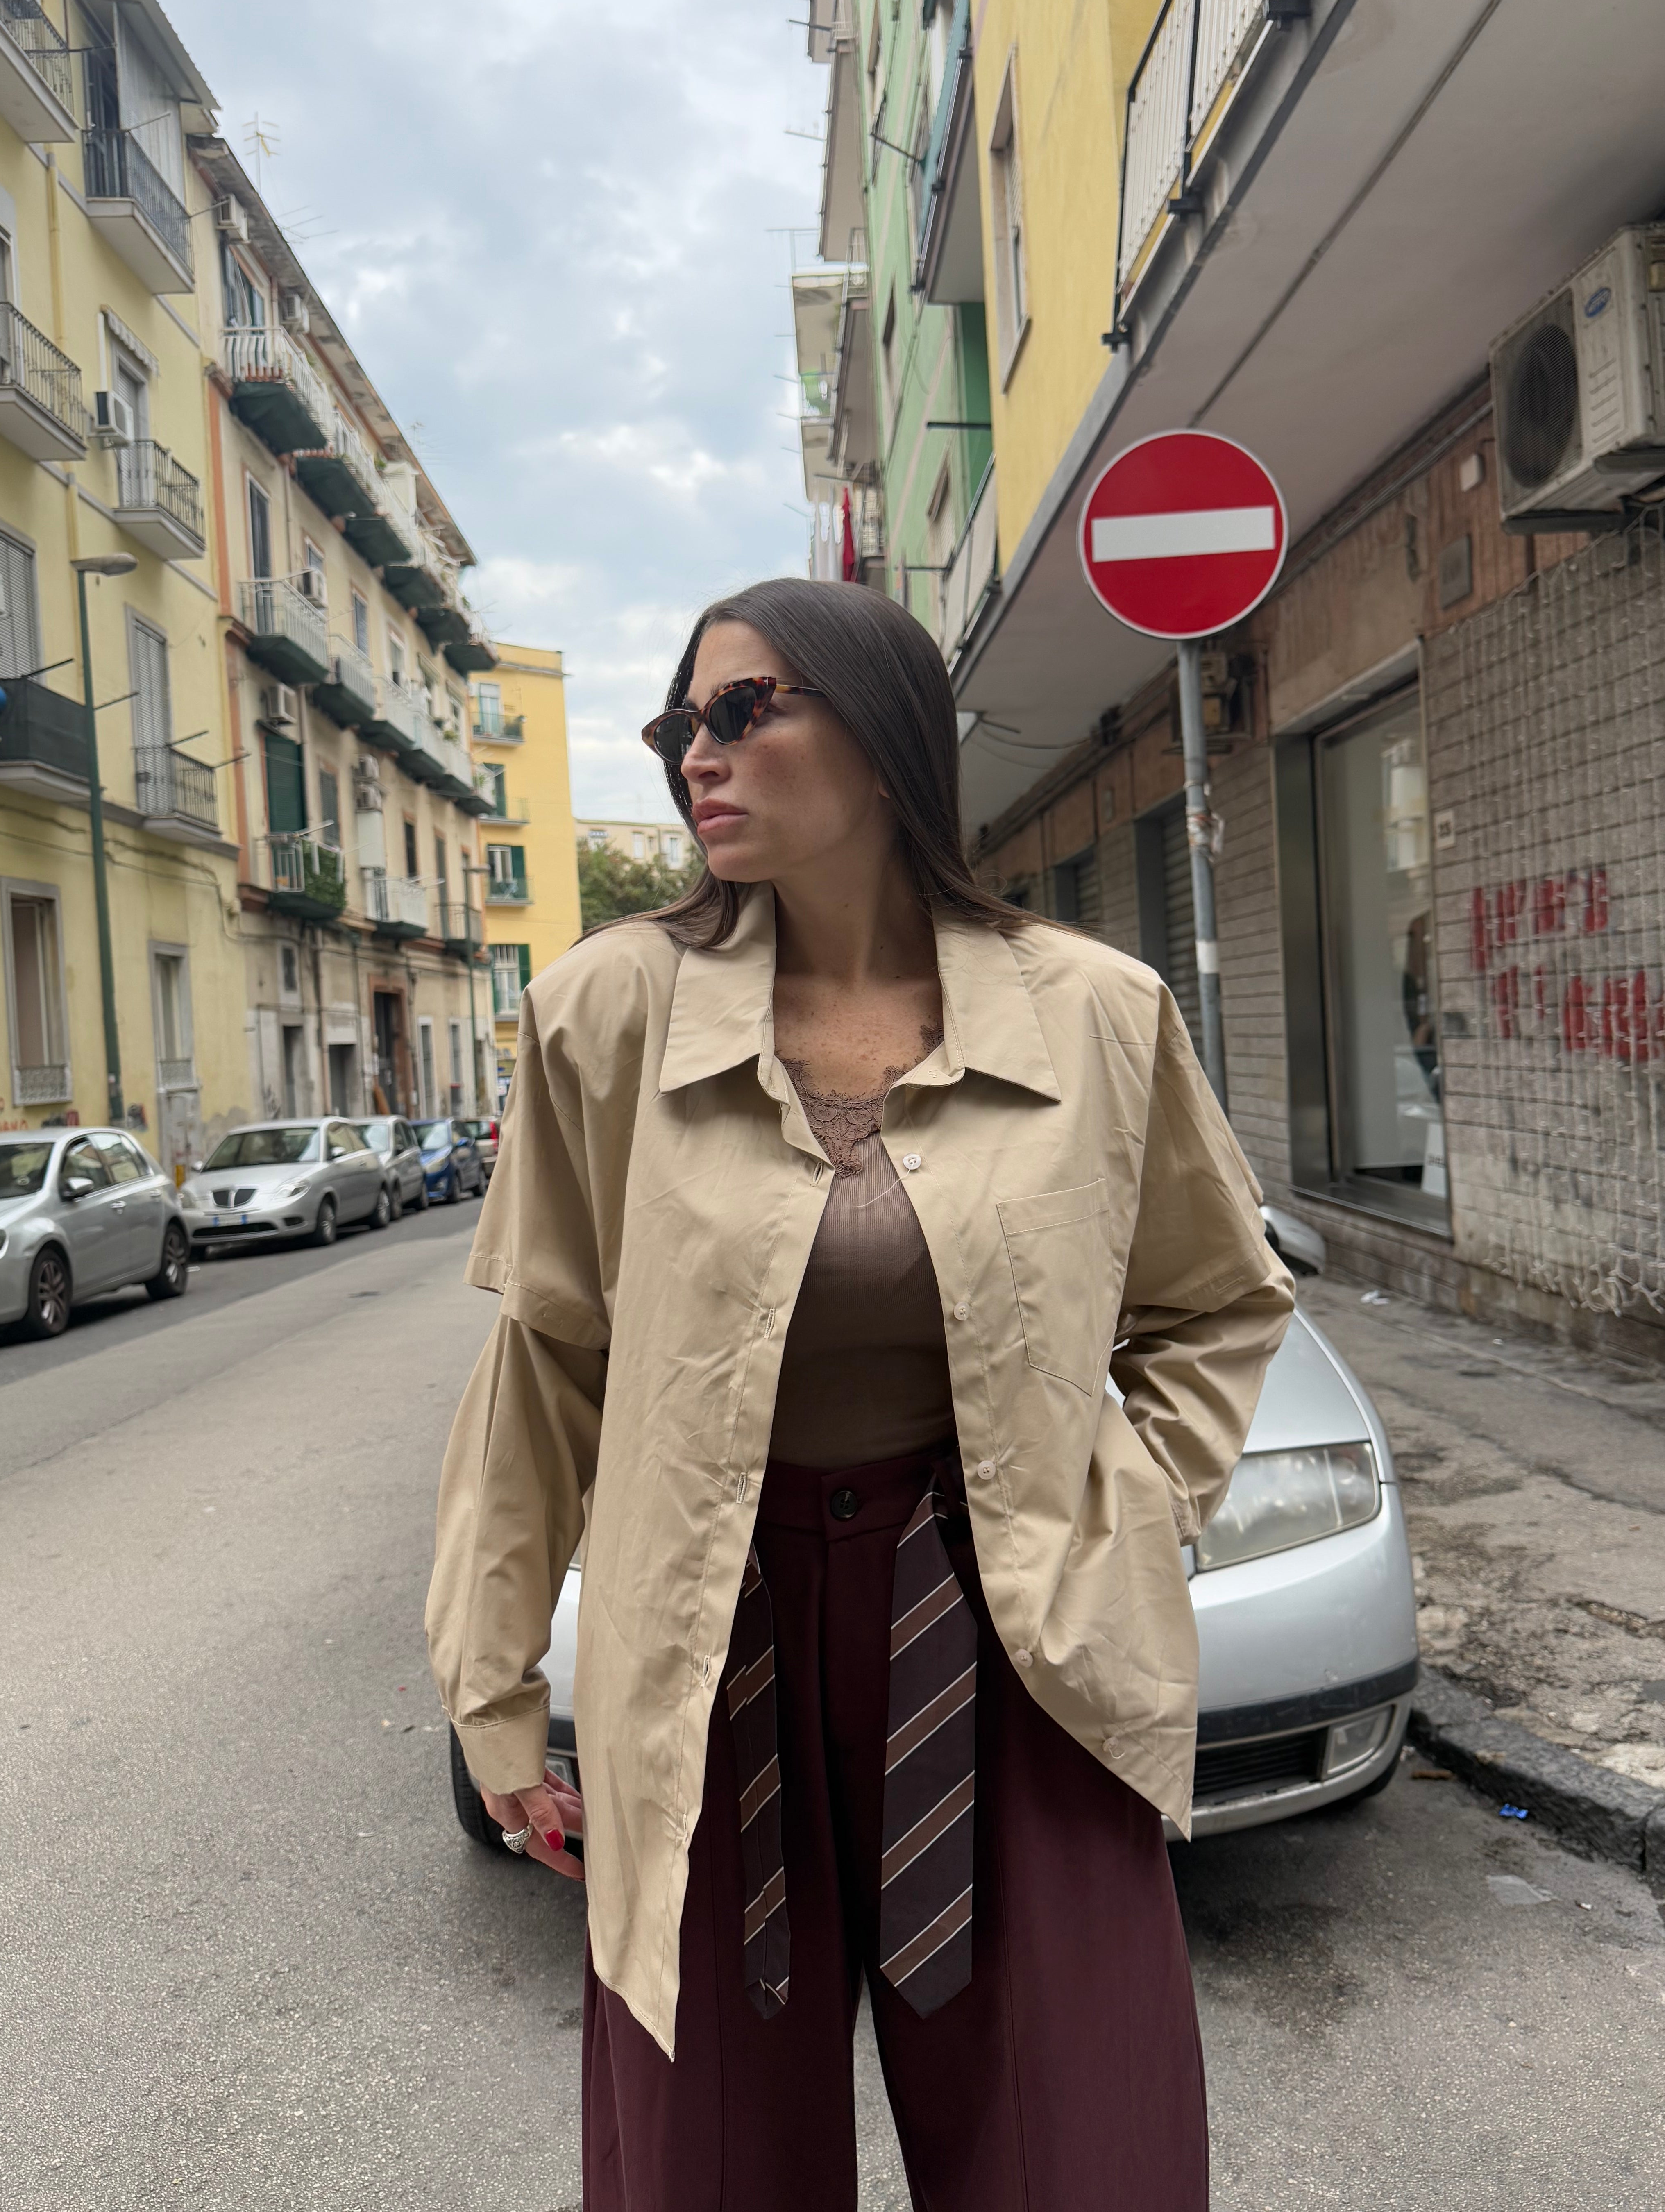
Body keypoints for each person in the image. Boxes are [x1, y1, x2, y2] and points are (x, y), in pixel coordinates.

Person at [426, 577, 1293, 2211]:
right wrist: (492, 1694)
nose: (699, 754)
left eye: (745, 710)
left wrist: (1131, 1506)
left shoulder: (1093, 1012)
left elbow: (1218, 1299)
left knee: (1079, 2156)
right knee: (711, 2165)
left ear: (886, 739)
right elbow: (546, 1368)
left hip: (1007, 1631)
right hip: (709, 1641)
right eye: (682, 723)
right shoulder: (606, 1013)